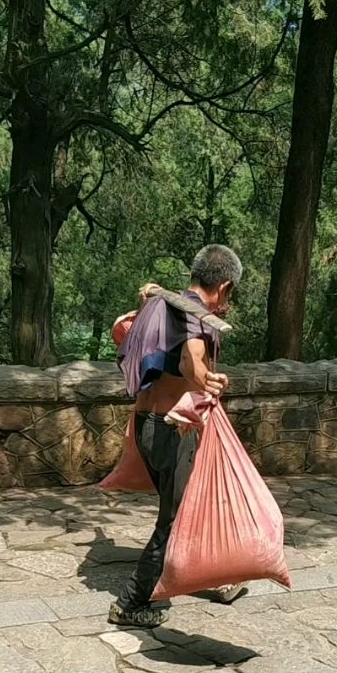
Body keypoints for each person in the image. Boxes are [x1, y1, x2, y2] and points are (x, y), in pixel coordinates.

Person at [108, 244, 245, 629]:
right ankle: (131, 603)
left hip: (146, 426)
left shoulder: (161, 305)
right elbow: (190, 361)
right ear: (224, 286)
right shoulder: (196, 316)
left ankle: (217, 576)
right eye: (229, 294)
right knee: (176, 519)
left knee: (196, 503)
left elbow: (131, 333)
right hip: (173, 428)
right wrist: (209, 380)